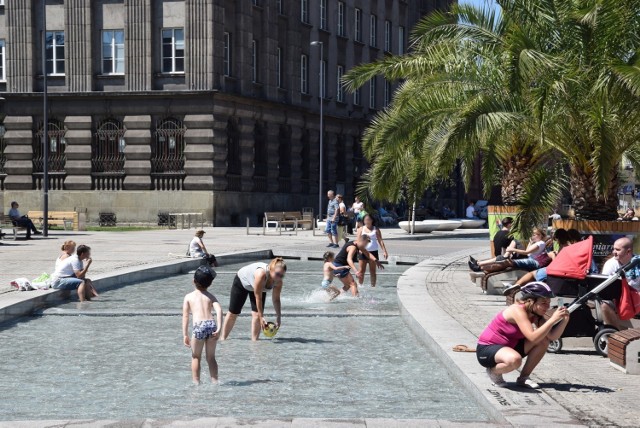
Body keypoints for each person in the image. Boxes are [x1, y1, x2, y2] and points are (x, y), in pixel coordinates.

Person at [476, 282, 570, 389]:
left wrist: (565, 320)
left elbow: (552, 336)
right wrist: (552, 319)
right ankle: (493, 371)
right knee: (514, 360)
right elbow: (532, 337)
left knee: (543, 341)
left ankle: (523, 378)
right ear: (530, 301)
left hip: (510, 347)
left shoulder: (535, 313)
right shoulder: (517, 310)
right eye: (543, 302)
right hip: (487, 349)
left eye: (548, 302)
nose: (547, 306)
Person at [221, 258, 286, 341]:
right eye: (277, 274)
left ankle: (255, 343)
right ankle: (223, 339)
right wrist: (261, 316)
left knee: (256, 315)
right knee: (233, 313)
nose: (279, 277)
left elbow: (276, 299)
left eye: (282, 276)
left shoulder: (279, 282)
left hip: (258, 287)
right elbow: (258, 297)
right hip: (243, 282)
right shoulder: (261, 274)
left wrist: (278, 317)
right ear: (271, 269)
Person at [182, 265, 222, 384]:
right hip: (211, 325)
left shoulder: (188, 297)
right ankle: (215, 381)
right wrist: (219, 328)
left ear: (193, 281)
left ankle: (196, 383)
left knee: (196, 357)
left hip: (199, 326)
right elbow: (219, 310)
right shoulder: (210, 296)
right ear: (210, 284)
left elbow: (185, 316)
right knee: (211, 358)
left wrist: (185, 334)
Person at [600, 237, 640, 330]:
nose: (614, 252)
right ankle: (616, 335)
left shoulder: (637, 262)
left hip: (636, 298)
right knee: (604, 305)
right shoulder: (610, 264)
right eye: (613, 249)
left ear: (628, 252)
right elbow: (604, 287)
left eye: (617, 250)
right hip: (619, 299)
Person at [480, 228, 549, 274]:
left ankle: (480, 266)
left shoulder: (540, 243)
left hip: (530, 260)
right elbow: (527, 251)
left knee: (515, 242)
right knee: (500, 258)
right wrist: (530, 242)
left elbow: (526, 252)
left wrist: (512, 249)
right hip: (528, 258)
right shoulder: (537, 243)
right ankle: (479, 264)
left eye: (534, 235)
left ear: (539, 235)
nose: (532, 236)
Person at [356, 214, 389, 287]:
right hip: (363, 252)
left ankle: (373, 286)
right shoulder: (361, 229)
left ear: (372, 220)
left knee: (373, 271)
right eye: (365, 220)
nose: (367, 221)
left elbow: (380, 241)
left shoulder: (376, 229)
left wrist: (384, 251)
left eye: (368, 220)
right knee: (361, 270)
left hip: (373, 251)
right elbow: (358, 241)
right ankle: (360, 285)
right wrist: (359, 249)